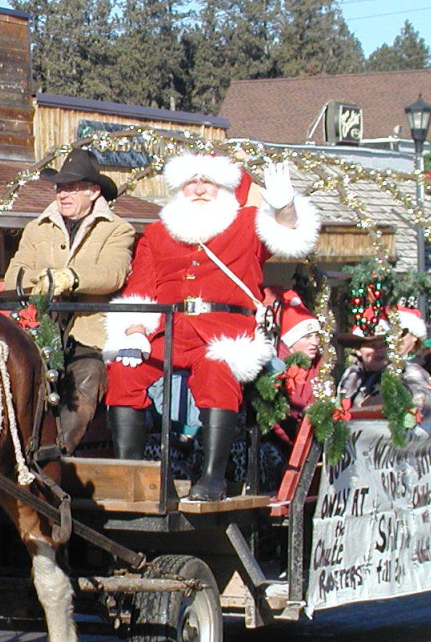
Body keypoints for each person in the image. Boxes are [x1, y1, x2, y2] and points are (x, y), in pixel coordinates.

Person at [103, 154, 320, 500]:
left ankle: (212, 477)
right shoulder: (158, 232)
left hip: (225, 329)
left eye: (209, 182)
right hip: (169, 331)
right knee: (124, 370)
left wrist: (286, 209)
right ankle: (129, 473)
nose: (200, 189)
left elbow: (286, 236)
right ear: (179, 188)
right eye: (192, 182)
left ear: (225, 188)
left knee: (216, 370)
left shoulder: (247, 224)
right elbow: (140, 288)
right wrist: (134, 331)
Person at [2, 148, 136, 457]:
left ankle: (54, 457)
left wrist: (72, 278)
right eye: (60, 187)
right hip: (36, 330)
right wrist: (47, 279)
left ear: (93, 191)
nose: (63, 194)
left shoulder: (117, 229)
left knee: (86, 379)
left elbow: (112, 273)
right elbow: (13, 278)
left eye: (72, 187)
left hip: (87, 336)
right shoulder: (36, 228)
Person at [337, 313, 431, 419]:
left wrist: (404, 396)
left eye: (384, 345)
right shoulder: (353, 374)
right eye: (371, 345)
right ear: (358, 350)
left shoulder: (406, 370)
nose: (378, 350)